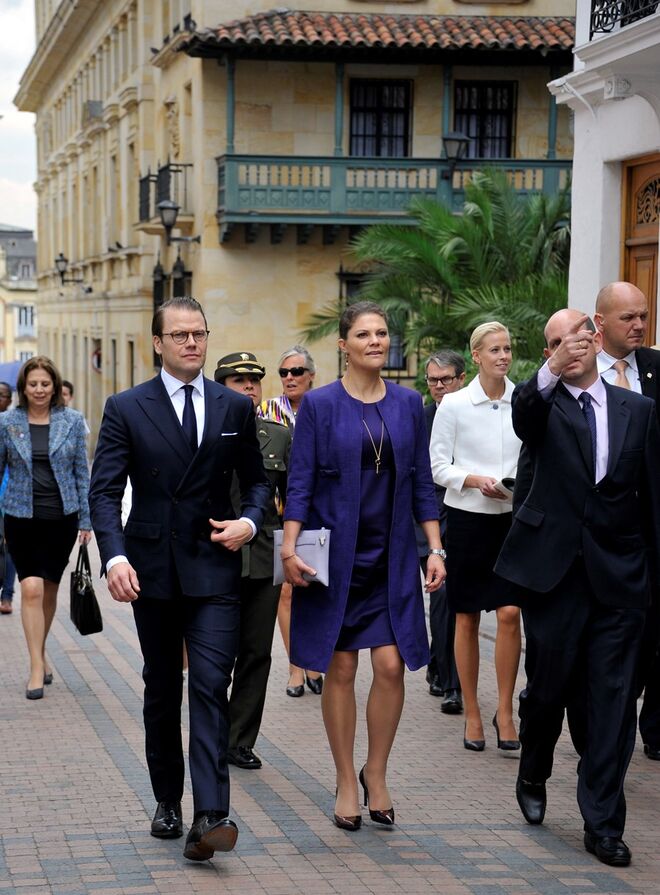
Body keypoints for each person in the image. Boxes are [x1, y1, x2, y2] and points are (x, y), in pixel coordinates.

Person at [89, 297, 270, 862]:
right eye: (180, 335)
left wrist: (249, 522)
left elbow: (257, 482)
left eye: (200, 333)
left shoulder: (232, 406)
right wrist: (115, 559)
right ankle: (167, 799)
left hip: (214, 565)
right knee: (163, 688)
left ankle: (211, 814)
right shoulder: (127, 406)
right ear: (158, 343)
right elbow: (104, 492)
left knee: (211, 684)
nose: (192, 342)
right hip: (153, 570)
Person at [495, 308, 660, 867]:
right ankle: (533, 769)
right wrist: (548, 372)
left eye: (578, 335)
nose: (572, 346)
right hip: (554, 576)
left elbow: (652, 499)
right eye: (557, 342)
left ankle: (603, 824)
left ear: (595, 337)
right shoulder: (541, 404)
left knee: (613, 701)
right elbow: (523, 413)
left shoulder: (638, 410)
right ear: (549, 353)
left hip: (620, 579)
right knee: (548, 689)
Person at [281, 301, 446, 831]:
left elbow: (421, 480)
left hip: (391, 557)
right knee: (343, 667)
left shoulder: (408, 403)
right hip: (337, 557)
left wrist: (435, 547)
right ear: (343, 345)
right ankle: (345, 779)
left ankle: (376, 771)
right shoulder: (320, 405)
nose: (376, 341)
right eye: (363, 334)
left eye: (382, 333)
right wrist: (289, 548)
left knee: (392, 666)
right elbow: (300, 481)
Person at [430, 322, 522, 752]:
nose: (503, 356)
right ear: (477, 356)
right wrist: (473, 479)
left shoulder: (522, 399)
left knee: (510, 614)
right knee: (465, 616)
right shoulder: (454, 405)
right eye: (495, 349)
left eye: (507, 348)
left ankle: (505, 711)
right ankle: (471, 711)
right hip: (467, 520)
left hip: (511, 521)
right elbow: (437, 467)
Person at [214, 351, 292, 770]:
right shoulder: (201, 431)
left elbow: (295, 498)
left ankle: (239, 740)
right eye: (238, 381)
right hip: (213, 555)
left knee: (256, 652)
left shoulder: (278, 436)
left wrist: (297, 554)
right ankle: (212, 734)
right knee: (214, 654)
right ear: (220, 388)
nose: (249, 387)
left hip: (263, 556)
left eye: (254, 381)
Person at [593, 281, 660, 762]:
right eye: (628, 318)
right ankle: (605, 726)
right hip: (598, 535)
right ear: (600, 323)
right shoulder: (578, 373)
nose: (639, 326)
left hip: (649, 529)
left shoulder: (656, 369)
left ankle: (653, 729)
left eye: (643, 316)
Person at [0, 357, 91, 697]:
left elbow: (81, 474)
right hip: (20, 517)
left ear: (54, 387)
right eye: (33, 384)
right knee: (31, 589)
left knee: (49, 590)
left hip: (60, 520)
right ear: (23, 388)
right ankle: (36, 666)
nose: (39, 390)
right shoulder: (7, 422)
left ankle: (40, 652)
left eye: (45, 384)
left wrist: (86, 519)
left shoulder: (72, 420)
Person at [259, 345, 322, 698]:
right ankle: (296, 667)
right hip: (280, 514)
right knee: (286, 589)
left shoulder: (324, 408)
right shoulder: (266, 411)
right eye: (283, 372)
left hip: (318, 513)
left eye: (296, 371)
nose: (289, 378)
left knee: (315, 586)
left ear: (311, 375)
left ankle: (314, 660)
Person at [418, 351, 465, 713]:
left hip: (467, 517)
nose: (438, 386)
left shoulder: (473, 416)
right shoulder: (421, 418)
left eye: (445, 379)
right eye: (432, 380)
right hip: (427, 519)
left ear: (461, 379)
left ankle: (441, 667)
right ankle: (450, 682)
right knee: (443, 596)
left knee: (456, 598)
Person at [0, 382, 17, 615]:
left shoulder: (15, 426)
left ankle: (7, 595)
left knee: (9, 547)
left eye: (2, 395)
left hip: (11, 497)